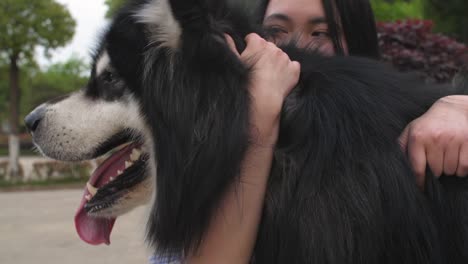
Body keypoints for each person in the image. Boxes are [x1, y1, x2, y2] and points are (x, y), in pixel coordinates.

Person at [153, 0, 468, 263]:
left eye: (322, 33)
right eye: (276, 31)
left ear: (359, 45)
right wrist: (259, 124)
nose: (293, 49)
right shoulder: (206, 163)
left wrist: (456, 104)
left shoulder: (403, 141)